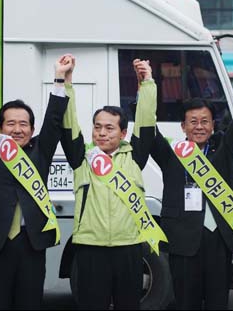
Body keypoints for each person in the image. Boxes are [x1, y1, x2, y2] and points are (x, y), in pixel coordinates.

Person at [135, 58, 233, 310]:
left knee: (217, 303)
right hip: (182, 240)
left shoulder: (222, 152)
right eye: (193, 121)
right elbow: (148, 127)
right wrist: (146, 85)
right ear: (183, 127)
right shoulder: (171, 155)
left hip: (218, 240)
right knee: (185, 304)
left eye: (204, 121)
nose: (199, 126)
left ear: (212, 126)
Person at [0, 49, 69, 309]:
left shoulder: (41, 151)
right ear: (0, 128)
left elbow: (54, 120)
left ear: (32, 130)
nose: (17, 129)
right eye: (10, 123)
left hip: (31, 241)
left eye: (24, 124)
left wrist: (59, 78)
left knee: (30, 303)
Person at [60, 58, 166, 310]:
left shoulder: (135, 156)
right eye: (97, 127)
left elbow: (147, 122)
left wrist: (147, 83)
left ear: (123, 133)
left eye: (109, 128)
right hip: (89, 247)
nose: (102, 133)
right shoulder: (81, 158)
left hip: (128, 247)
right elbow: (68, 123)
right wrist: (66, 83)